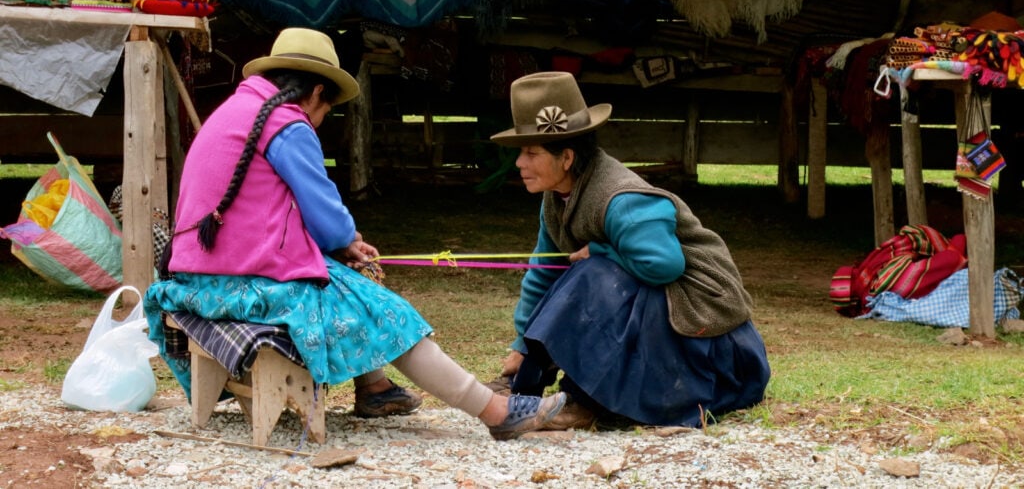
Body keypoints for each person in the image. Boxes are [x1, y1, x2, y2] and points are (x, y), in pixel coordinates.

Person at [143, 28, 565, 440]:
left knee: (350, 290)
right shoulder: (287, 122)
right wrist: (348, 240)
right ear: (315, 94)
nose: (323, 119)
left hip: (196, 281)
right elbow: (324, 212)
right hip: (247, 286)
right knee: (389, 313)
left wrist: (338, 245)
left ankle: (376, 388)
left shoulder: (234, 112)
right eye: (327, 110)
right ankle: (495, 411)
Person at [489, 71, 771, 430]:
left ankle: (584, 402)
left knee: (594, 276)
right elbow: (544, 272)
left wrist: (602, 253)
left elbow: (666, 266)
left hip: (713, 347)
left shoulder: (622, 200)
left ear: (566, 157)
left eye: (531, 153)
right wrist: (522, 347)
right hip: (666, 318)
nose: (519, 163)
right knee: (586, 274)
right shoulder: (555, 201)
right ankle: (523, 387)